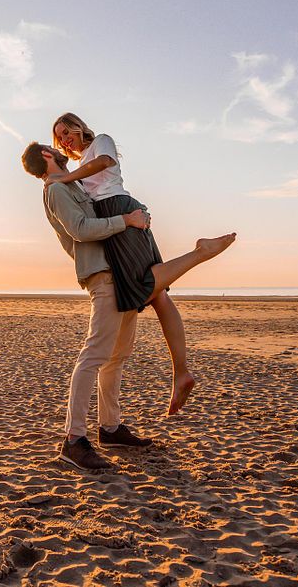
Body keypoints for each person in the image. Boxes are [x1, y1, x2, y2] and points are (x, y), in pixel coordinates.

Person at [21, 142, 236, 471]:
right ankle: (73, 440)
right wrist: (127, 220)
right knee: (93, 357)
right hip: (102, 276)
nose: (59, 148)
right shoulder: (56, 190)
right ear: (47, 157)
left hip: (116, 271)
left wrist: (133, 218)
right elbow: (79, 230)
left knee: (116, 357)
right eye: (53, 146)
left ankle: (110, 428)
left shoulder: (71, 184)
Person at [48, 112, 197, 414]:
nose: (64, 139)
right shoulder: (76, 168)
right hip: (112, 219)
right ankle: (180, 373)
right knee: (154, 293)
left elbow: (105, 164)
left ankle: (181, 372)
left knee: (157, 290)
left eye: (66, 131)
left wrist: (64, 177)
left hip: (118, 209)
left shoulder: (100, 142)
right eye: (58, 136)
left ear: (78, 127)